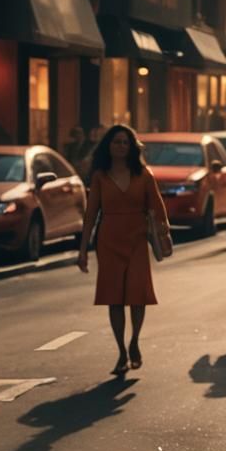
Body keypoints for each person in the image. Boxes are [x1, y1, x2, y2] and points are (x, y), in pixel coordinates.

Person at [78, 125, 171, 375]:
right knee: (114, 298)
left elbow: (158, 208)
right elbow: (90, 214)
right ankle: (121, 351)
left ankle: (135, 342)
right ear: (108, 146)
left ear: (132, 147)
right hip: (108, 241)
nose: (120, 146)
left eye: (125, 143)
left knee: (138, 295)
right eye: (116, 142)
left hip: (137, 239)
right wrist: (83, 249)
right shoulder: (100, 176)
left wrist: (163, 235)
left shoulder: (143, 174)